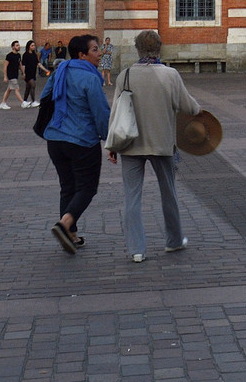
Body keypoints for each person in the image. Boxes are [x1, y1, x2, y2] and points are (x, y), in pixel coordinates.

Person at [108, 30, 201, 263]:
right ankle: (174, 240)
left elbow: (116, 113)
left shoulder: (125, 75)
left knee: (132, 198)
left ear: (137, 49)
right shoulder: (170, 75)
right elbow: (189, 107)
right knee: (169, 194)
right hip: (162, 144)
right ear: (159, 48)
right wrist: (199, 111)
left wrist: (112, 144)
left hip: (130, 144)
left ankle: (136, 249)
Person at [46, 34, 111, 254]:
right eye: (94, 50)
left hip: (55, 139)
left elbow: (45, 100)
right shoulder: (90, 78)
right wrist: (110, 139)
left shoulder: (59, 72)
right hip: (82, 140)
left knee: (68, 186)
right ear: (82, 55)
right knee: (87, 187)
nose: (99, 53)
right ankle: (65, 224)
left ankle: (71, 235)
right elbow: (100, 113)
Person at [1, 42, 25, 110]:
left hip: (15, 74)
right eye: (17, 45)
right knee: (17, 89)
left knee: (9, 89)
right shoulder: (9, 56)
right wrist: (5, 76)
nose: (19, 46)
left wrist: (23, 73)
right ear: (13, 47)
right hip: (11, 75)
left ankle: (3, 103)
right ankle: (23, 102)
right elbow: (5, 66)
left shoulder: (18, 55)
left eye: (19, 45)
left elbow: (20, 65)